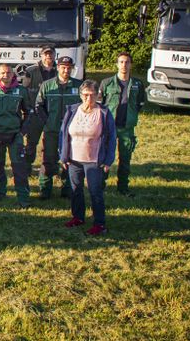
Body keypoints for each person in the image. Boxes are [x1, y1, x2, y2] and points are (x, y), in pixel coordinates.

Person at [60, 80, 117, 236]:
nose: (88, 99)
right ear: (80, 95)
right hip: (74, 160)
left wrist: (108, 160)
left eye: (92, 95)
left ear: (98, 95)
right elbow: (64, 134)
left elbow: (111, 138)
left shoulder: (104, 113)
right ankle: (78, 217)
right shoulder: (72, 110)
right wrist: (64, 156)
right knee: (75, 190)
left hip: (94, 160)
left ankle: (99, 224)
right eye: (85, 95)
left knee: (95, 192)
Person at [0, 63, 31, 207]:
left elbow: (28, 112)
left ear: (13, 74)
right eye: (2, 73)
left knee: (19, 167)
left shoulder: (21, 91)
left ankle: (23, 197)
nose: (5, 75)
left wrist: (22, 132)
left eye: (8, 73)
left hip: (15, 135)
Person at [34, 55, 83, 199]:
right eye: (63, 67)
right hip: (52, 130)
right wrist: (47, 121)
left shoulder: (78, 86)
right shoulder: (47, 85)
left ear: (72, 68)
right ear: (58, 68)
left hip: (72, 131)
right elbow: (38, 105)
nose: (66, 70)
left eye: (69, 68)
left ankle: (68, 188)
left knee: (71, 159)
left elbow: (84, 107)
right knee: (48, 159)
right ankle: (45, 188)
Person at [99, 52, 147, 196]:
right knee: (104, 157)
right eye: (121, 62)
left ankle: (123, 188)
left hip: (127, 128)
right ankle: (100, 186)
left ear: (130, 64)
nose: (124, 65)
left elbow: (139, 104)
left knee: (125, 160)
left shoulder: (137, 84)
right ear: (117, 64)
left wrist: (130, 116)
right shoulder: (107, 83)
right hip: (109, 127)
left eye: (127, 62)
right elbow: (100, 104)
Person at [23, 46, 57, 171]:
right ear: (41, 56)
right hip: (35, 113)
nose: (48, 56)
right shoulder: (31, 71)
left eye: (50, 54)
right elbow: (25, 91)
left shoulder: (60, 70)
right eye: (45, 54)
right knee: (31, 143)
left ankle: (48, 168)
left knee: (51, 143)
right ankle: (27, 168)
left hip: (53, 113)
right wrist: (28, 109)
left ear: (54, 55)